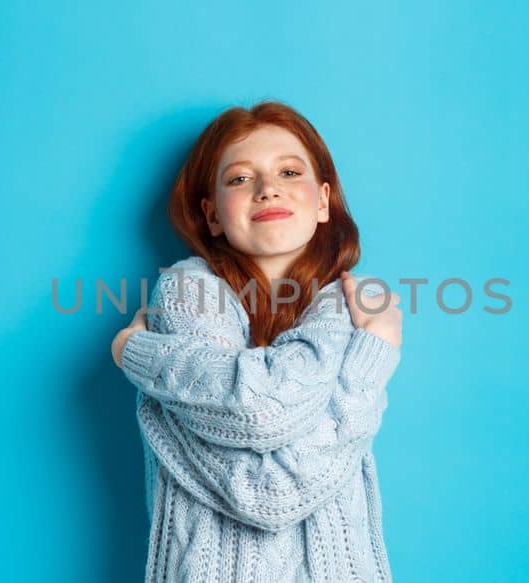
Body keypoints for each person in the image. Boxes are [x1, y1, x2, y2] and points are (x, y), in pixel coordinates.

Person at [111, 100, 405, 581]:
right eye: (240, 179)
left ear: (323, 200)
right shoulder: (187, 291)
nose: (269, 190)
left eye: (290, 172)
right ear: (211, 215)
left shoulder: (347, 301)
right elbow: (267, 464)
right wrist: (370, 358)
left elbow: (268, 467)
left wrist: (135, 353)